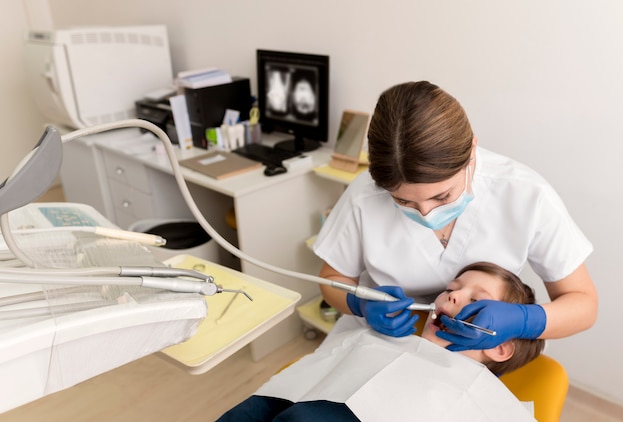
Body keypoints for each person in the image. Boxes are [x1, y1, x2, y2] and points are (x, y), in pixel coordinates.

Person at [314, 81, 597, 350]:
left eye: (442, 196)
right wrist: (358, 304)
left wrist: (522, 321)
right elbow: (332, 278)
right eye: (402, 200)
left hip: (477, 352)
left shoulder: (526, 194)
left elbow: (583, 304)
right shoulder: (364, 196)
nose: (426, 213)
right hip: (382, 344)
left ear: (471, 153)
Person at [217, 262, 544, 421]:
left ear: (500, 346)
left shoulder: (483, 405)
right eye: (453, 287)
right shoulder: (371, 340)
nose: (454, 294)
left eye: (477, 299)